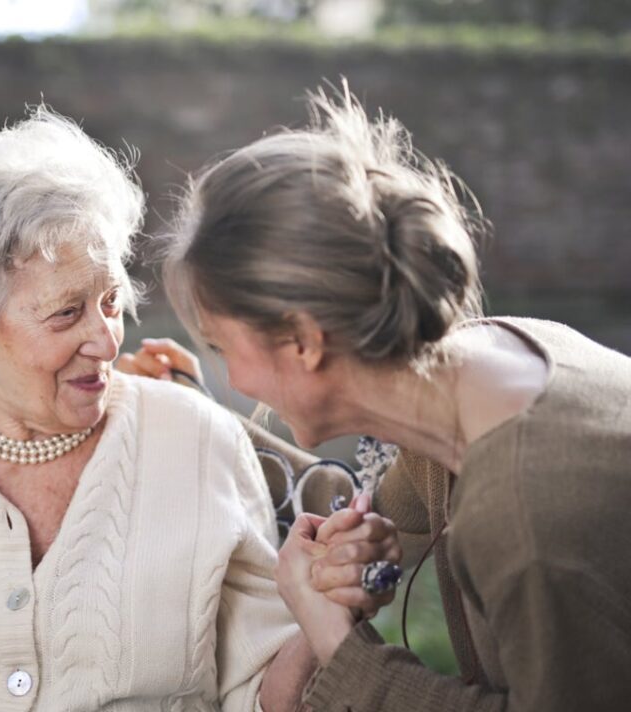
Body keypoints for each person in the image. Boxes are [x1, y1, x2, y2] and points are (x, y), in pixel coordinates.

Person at [0, 107, 399, 712]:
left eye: (112, 302)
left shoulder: (197, 439)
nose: (105, 339)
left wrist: (319, 612)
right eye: (66, 312)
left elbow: (256, 695)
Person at [149, 85, 631, 711]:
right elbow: (368, 508)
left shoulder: (523, 517)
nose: (234, 380)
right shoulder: (492, 365)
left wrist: (339, 645)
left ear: (302, 341)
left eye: (221, 348)